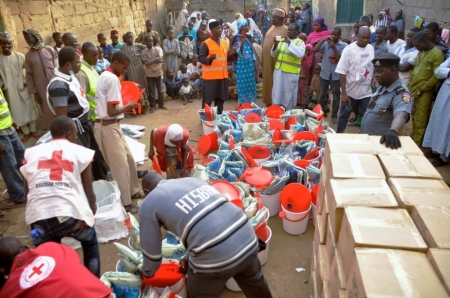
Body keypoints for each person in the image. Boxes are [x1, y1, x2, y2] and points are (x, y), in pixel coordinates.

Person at [139, 173, 273, 298]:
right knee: (256, 285)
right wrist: (189, 257)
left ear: (146, 192)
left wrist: (144, 273)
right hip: (247, 237)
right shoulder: (191, 181)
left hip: (215, 255)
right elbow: (210, 224)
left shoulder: (149, 202)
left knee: (198, 292)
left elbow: (153, 256)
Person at [20, 117, 100, 274]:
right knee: (90, 242)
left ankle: (57, 285)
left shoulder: (31, 153)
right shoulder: (80, 152)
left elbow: (27, 190)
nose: (76, 138)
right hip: (68, 216)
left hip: (39, 217)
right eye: (76, 135)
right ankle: (94, 286)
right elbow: (89, 193)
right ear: (70, 134)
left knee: (49, 259)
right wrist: (90, 211)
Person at [94, 51, 144, 213]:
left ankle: (133, 190)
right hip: (107, 127)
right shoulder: (111, 79)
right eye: (123, 67)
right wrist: (128, 107)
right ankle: (126, 203)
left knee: (129, 159)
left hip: (112, 125)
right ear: (115, 63)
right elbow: (112, 110)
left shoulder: (106, 76)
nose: (124, 71)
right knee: (120, 166)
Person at [0, 238, 111, 297]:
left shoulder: (9, 291)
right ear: (26, 247)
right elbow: (73, 259)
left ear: (2, 269)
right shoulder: (50, 247)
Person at [360, 53, 413, 149]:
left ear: (392, 70)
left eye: (379, 71)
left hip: (381, 145)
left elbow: (401, 115)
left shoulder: (401, 93)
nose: (376, 75)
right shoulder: (383, 86)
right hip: (368, 141)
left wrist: (394, 130)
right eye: (375, 71)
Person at [0, 32, 39, 143]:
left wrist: (25, 81)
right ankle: (26, 133)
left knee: (29, 107)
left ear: (11, 43)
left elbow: (29, 71)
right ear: (0, 44)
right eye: (4, 43)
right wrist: (4, 85)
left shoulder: (19, 56)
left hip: (22, 87)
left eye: (8, 43)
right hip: (10, 90)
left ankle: (33, 131)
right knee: (16, 110)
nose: (6, 46)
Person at [335, 26, 375, 133]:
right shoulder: (348, 50)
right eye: (363, 37)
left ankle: (365, 137)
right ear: (357, 36)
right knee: (344, 116)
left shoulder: (370, 48)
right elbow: (342, 73)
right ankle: (338, 137)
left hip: (366, 92)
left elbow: (372, 66)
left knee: (368, 117)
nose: (366, 40)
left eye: (368, 38)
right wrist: (344, 93)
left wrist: (374, 78)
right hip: (350, 92)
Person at [408, 31, 445, 146]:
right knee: (414, 114)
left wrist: (423, 89)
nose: (416, 48)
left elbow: (436, 76)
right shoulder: (422, 51)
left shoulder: (437, 54)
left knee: (421, 118)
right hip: (414, 89)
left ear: (425, 41)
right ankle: (414, 136)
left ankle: (417, 144)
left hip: (424, 92)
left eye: (417, 45)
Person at [199, 20, 237, 115]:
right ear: (211, 30)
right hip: (210, 78)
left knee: (220, 98)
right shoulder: (206, 44)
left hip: (222, 77)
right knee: (208, 99)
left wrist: (233, 54)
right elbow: (201, 58)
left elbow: (227, 57)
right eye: (217, 28)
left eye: (220, 28)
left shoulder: (224, 43)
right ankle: (205, 117)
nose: (220, 30)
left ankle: (219, 116)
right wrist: (210, 59)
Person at [23, 29, 57, 130]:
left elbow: (57, 66)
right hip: (41, 87)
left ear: (36, 36)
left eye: (29, 38)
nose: (28, 40)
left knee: (59, 103)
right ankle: (53, 131)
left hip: (54, 82)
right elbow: (29, 75)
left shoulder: (49, 49)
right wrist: (34, 92)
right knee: (47, 109)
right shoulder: (28, 56)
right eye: (26, 39)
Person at [314, 27, 347, 123]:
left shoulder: (343, 46)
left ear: (340, 36)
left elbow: (340, 59)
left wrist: (333, 47)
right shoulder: (325, 43)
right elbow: (315, 50)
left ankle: (334, 116)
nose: (333, 36)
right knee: (321, 96)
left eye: (336, 34)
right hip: (324, 73)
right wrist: (323, 40)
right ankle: (321, 114)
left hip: (336, 75)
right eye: (332, 34)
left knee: (336, 97)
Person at [422, 57, 450, 166]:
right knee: (438, 120)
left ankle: (443, 156)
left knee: (447, 125)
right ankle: (435, 150)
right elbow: (438, 71)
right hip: (445, 92)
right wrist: (448, 71)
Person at [271, 23, 305, 111]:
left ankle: (288, 116)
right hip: (279, 72)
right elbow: (273, 54)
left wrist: (289, 42)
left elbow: (300, 54)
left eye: (291, 30)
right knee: (277, 94)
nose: (288, 31)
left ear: (297, 31)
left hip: (290, 74)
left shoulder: (300, 43)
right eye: (288, 30)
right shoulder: (283, 41)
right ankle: (277, 113)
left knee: (288, 96)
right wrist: (275, 44)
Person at [0, 88, 25, 205]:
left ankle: (30, 186)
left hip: (9, 127)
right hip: (1, 134)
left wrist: (11, 120)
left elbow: (3, 107)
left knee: (22, 157)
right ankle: (18, 195)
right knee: (9, 165)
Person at [262, 8, 288, 107]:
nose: (271, 19)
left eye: (273, 17)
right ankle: (268, 100)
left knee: (275, 81)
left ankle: (276, 103)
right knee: (267, 80)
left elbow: (286, 42)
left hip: (275, 61)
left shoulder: (285, 29)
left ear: (279, 18)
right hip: (267, 61)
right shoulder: (272, 27)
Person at [121, 32, 150, 114]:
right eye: (128, 38)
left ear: (133, 38)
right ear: (126, 38)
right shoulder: (123, 47)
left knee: (143, 85)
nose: (130, 39)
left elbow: (147, 47)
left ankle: (145, 104)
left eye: (131, 37)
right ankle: (136, 106)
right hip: (130, 69)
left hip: (139, 67)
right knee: (134, 87)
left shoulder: (138, 45)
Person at [232, 20, 257, 104]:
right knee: (242, 84)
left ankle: (250, 102)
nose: (247, 27)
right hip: (241, 65)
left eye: (247, 25)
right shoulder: (236, 38)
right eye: (245, 26)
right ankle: (242, 103)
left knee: (250, 83)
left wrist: (254, 63)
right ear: (241, 28)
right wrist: (242, 43)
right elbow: (238, 53)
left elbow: (252, 50)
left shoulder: (249, 37)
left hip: (249, 64)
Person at [141, 35, 167, 113]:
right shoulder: (143, 52)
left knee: (160, 90)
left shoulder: (156, 49)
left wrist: (153, 60)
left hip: (158, 72)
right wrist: (155, 59)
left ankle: (161, 104)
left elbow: (161, 60)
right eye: (149, 41)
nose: (151, 43)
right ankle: (153, 106)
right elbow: (146, 63)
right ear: (146, 42)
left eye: (152, 41)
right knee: (151, 91)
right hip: (149, 74)